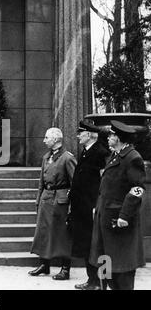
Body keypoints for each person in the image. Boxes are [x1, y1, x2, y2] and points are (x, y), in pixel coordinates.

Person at [89, 120, 146, 290]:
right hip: (105, 219)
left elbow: (137, 189)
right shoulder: (116, 155)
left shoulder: (132, 157)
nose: (109, 137)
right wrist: (97, 208)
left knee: (122, 269)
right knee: (105, 262)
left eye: (112, 135)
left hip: (119, 223)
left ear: (120, 138)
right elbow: (107, 188)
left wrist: (124, 215)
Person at [29, 128, 77, 280]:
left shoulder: (67, 158)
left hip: (60, 200)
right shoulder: (46, 157)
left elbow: (75, 183)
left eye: (47, 137)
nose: (44, 140)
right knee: (43, 232)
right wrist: (38, 200)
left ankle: (65, 268)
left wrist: (70, 204)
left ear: (56, 140)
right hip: (46, 199)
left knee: (62, 234)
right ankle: (44, 264)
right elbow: (41, 183)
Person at [68, 121, 110, 290]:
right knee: (87, 245)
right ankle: (92, 280)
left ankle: (101, 282)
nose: (78, 136)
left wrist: (96, 206)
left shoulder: (100, 153)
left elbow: (103, 183)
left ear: (90, 135)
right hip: (82, 208)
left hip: (92, 208)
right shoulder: (86, 151)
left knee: (99, 246)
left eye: (81, 133)